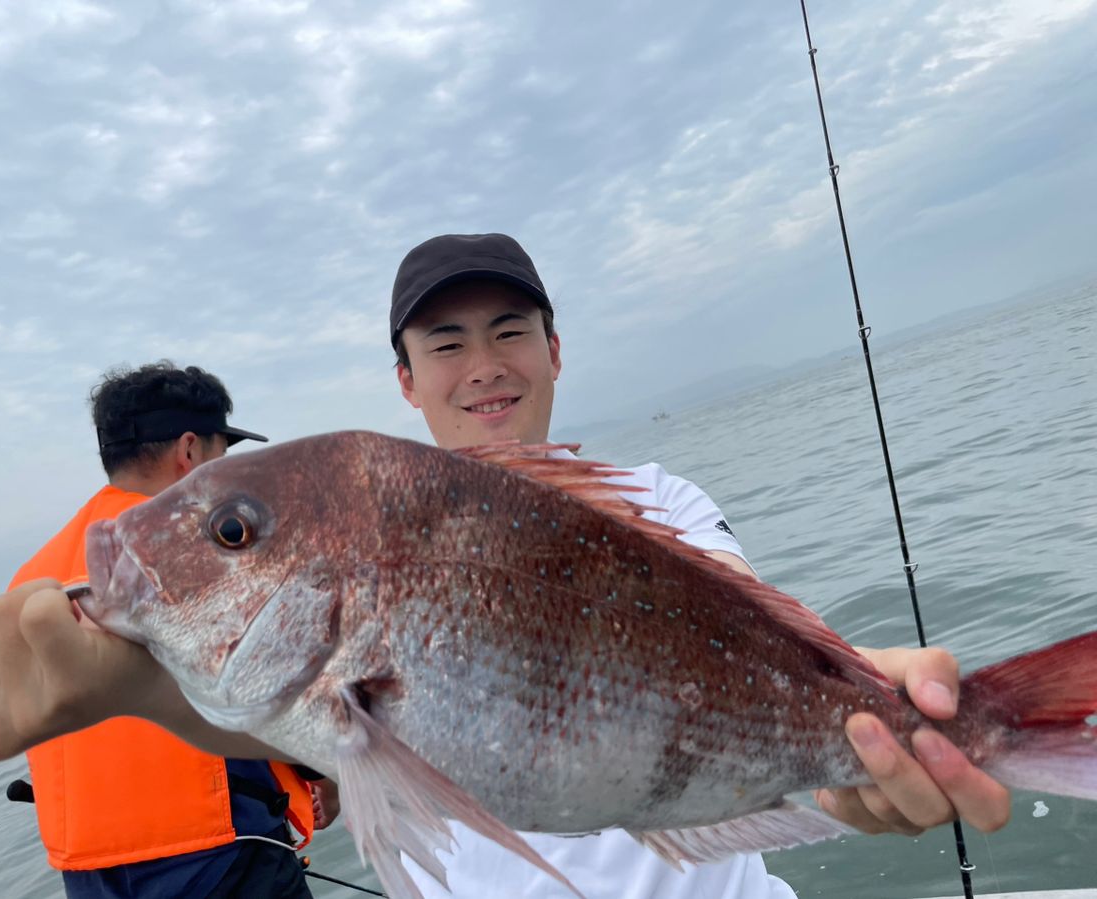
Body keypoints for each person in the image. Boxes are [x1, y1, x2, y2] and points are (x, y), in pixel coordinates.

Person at [388, 232, 1012, 897]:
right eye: (448, 344)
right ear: (408, 381)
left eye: (509, 332)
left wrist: (851, 707)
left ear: (555, 351)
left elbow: (733, 607)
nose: (483, 366)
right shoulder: (376, 556)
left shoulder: (657, 500)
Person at [5, 361, 334, 899]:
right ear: (189, 451)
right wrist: (324, 777)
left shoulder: (31, 578)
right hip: (219, 847)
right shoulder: (202, 551)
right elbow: (265, 683)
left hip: (89, 868)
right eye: (222, 453)